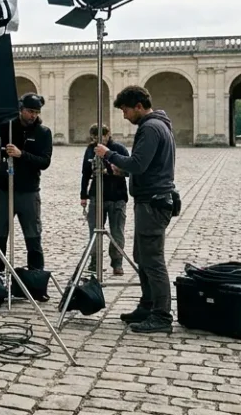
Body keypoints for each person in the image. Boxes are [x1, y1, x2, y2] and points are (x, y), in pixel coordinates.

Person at [95, 85, 178, 334]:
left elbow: (139, 164)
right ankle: (148, 305)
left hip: (153, 202)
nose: (124, 115)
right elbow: (144, 165)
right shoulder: (155, 125)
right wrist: (125, 169)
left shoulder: (151, 128)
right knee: (142, 257)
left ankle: (162, 315)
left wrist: (109, 154)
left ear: (139, 107)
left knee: (152, 261)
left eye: (125, 110)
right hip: (150, 200)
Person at [0, 93, 53, 277]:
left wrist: (21, 154)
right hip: (3, 189)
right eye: (29, 111)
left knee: (33, 235)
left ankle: (36, 276)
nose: (32, 115)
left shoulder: (43, 133)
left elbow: (45, 161)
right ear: (21, 110)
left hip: (28, 191)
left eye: (36, 112)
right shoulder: (7, 127)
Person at [81, 124, 129, 276]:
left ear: (109, 134)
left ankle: (117, 262)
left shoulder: (119, 149)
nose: (98, 140)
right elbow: (85, 173)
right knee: (94, 231)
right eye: (95, 137)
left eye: (102, 136)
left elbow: (129, 170)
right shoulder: (90, 149)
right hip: (97, 196)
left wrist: (112, 170)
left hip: (117, 196)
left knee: (117, 232)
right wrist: (83, 195)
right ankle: (95, 261)